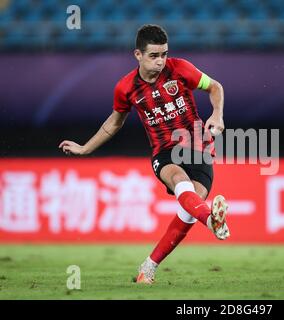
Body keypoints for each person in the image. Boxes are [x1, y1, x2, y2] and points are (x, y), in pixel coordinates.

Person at [58, 24, 229, 284]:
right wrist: (85, 148)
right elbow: (114, 122)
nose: (161, 61)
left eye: (164, 54)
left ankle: (148, 267)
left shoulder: (180, 68)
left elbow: (214, 87)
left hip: (199, 148)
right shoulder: (126, 88)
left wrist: (217, 114)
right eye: (154, 56)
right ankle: (212, 220)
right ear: (137, 55)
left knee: (188, 211)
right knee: (180, 182)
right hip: (165, 151)